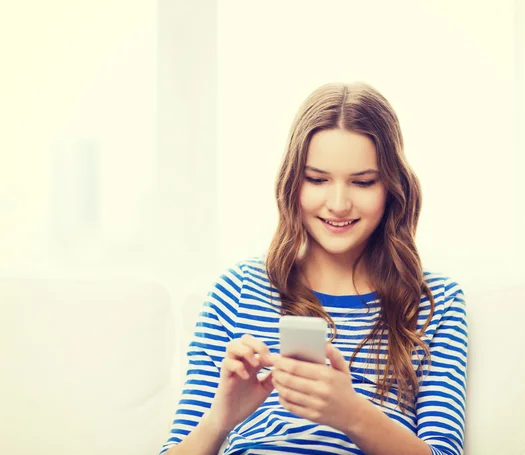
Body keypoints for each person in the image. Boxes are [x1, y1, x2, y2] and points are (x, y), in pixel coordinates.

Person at [159, 82, 468, 455]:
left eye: (363, 182)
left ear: (392, 187)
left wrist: (352, 414)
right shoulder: (238, 290)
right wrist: (220, 420)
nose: (338, 203)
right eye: (317, 179)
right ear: (293, 182)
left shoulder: (435, 304)